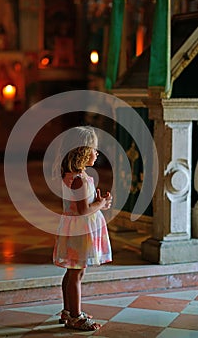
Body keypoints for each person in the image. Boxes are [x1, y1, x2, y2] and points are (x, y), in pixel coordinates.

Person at [53, 126, 112, 331]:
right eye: (94, 149)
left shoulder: (77, 176)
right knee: (76, 273)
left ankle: (68, 311)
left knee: (72, 273)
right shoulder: (78, 179)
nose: (96, 153)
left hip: (76, 230)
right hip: (79, 231)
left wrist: (96, 200)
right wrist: (101, 205)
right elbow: (82, 210)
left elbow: (83, 205)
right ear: (83, 152)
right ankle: (76, 316)